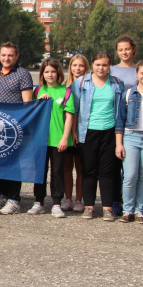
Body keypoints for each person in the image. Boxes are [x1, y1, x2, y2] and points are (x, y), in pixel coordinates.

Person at [72, 51, 125, 221]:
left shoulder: (117, 83)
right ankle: (89, 207)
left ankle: (107, 208)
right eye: (98, 64)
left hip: (109, 132)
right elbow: (74, 110)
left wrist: (119, 140)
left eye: (104, 65)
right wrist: (74, 132)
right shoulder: (81, 83)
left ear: (109, 66)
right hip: (87, 132)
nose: (101, 68)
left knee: (107, 172)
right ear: (92, 65)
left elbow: (120, 113)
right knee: (89, 171)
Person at [0, 42, 33, 214]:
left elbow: (27, 103)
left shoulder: (23, 74)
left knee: (13, 164)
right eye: (3, 55)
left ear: (17, 56)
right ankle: (4, 194)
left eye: (10, 55)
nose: (6, 58)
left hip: (15, 126)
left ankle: (14, 199)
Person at [29, 58, 74, 218]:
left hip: (58, 139)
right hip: (40, 139)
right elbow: (31, 112)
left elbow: (69, 117)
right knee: (40, 171)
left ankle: (56, 203)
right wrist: (39, 102)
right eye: (46, 71)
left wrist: (65, 138)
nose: (50, 74)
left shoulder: (66, 91)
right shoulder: (37, 91)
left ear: (58, 73)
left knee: (57, 172)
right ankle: (39, 202)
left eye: (53, 71)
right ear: (42, 74)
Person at [110, 35, 137, 216]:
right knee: (114, 164)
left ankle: (130, 201)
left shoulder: (138, 69)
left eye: (127, 49)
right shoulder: (112, 70)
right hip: (113, 120)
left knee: (131, 167)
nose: (124, 52)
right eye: (120, 50)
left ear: (133, 49)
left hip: (133, 122)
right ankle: (115, 200)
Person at [117, 60, 143, 223]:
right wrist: (119, 143)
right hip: (131, 136)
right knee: (130, 175)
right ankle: (127, 209)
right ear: (137, 74)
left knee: (142, 176)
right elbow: (120, 120)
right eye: (142, 73)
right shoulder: (128, 94)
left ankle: (140, 210)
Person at [63, 54, 90, 212]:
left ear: (86, 67)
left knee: (81, 168)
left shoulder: (88, 86)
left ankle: (79, 200)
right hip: (65, 132)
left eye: (81, 66)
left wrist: (76, 131)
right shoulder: (64, 86)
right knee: (67, 167)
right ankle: (68, 198)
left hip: (82, 132)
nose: (77, 69)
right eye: (75, 65)